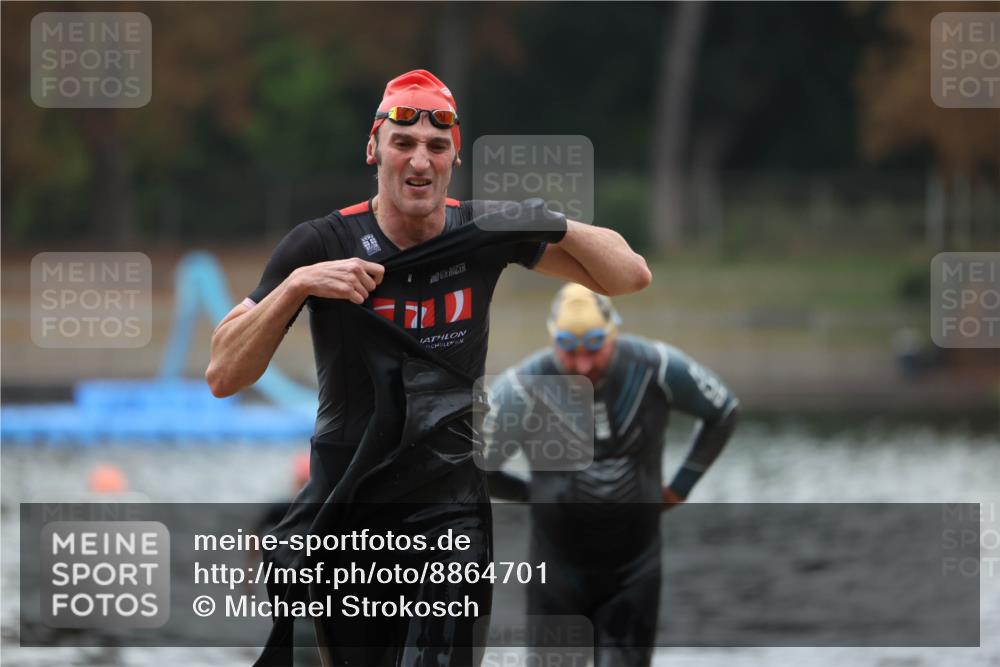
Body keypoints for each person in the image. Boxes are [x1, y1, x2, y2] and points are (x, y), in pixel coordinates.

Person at [205, 69, 651, 666]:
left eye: (437, 147)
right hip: (350, 515)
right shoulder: (320, 244)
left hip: (450, 513)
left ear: (453, 158)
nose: (420, 161)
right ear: (375, 149)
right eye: (404, 144)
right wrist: (297, 286)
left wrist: (551, 220)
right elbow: (223, 374)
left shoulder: (483, 231)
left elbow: (631, 276)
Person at [483, 283, 740, 667]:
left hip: (633, 570)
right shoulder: (521, 387)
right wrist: (528, 494)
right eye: (570, 351)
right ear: (554, 340)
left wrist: (680, 488)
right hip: (557, 571)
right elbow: (471, 463)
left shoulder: (658, 367)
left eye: (594, 349)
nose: (583, 365)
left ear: (613, 335)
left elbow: (724, 412)